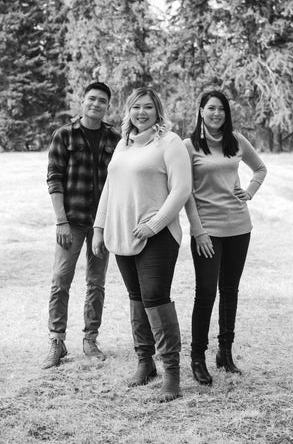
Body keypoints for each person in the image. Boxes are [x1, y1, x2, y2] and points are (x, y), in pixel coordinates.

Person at [92, 87, 192, 402]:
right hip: (122, 233)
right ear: (128, 111)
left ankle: (171, 373)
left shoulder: (170, 142)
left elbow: (181, 189)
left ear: (157, 111)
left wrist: (154, 224)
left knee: (155, 298)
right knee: (136, 298)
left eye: (148, 107)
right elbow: (109, 188)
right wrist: (99, 228)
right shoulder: (123, 144)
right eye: (136, 107)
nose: (142, 112)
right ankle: (144, 362)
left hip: (157, 235)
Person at [184, 90, 267, 385]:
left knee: (229, 290)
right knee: (206, 292)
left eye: (221, 109)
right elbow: (186, 193)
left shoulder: (236, 140)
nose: (216, 113)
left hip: (239, 226)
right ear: (201, 111)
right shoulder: (189, 146)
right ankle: (197, 357)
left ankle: (225, 353)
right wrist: (198, 230)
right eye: (210, 108)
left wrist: (250, 192)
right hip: (207, 229)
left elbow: (260, 168)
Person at [42, 82, 120, 369]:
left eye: (102, 100)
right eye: (91, 99)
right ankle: (56, 341)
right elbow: (54, 179)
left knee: (96, 283)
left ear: (107, 106)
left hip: (102, 224)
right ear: (82, 101)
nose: (96, 104)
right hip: (71, 221)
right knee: (61, 280)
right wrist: (60, 220)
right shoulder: (64, 135)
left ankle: (90, 339)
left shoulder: (116, 138)